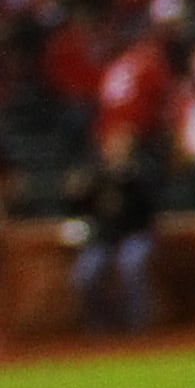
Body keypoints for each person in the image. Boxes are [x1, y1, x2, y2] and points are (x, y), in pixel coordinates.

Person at [63, 134, 161, 334]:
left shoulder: (140, 176)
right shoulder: (96, 177)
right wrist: (74, 192)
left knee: (131, 265)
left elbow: (147, 213)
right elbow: (78, 207)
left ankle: (138, 326)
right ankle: (101, 325)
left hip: (134, 235)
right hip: (104, 238)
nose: (116, 153)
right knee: (85, 274)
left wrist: (126, 179)